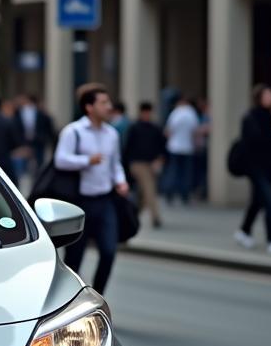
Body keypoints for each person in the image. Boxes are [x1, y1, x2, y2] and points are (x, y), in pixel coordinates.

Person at [54, 83, 129, 295]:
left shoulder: (111, 134)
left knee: (108, 252)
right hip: (79, 202)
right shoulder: (73, 132)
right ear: (89, 107)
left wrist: (120, 181)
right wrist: (87, 160)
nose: (109, 106)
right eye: (103, 102)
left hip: (105, 200)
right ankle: (68, 299)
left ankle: (98, 297)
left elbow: (116, 164)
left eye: (109, 102)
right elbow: (60, 160)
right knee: (75, 257)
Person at [234, 83, 271, 256]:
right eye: (266, 95)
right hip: (255, 167)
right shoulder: (250, 117)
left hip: (270, 166)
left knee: (258, 201)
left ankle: (243, 231)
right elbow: (253, 142)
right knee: (270, 202)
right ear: (259, 98)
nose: (270, 98)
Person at [124, 102, 166, 228]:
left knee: (144, 194)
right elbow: (127, 148)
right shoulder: (134, 128)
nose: (147, 115)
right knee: (150, 188)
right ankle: (156, 218)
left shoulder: (155, 128)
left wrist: (160, 160)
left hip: (151, 164)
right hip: (137, 164)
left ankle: (134, 215)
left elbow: (163, 146)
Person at [161, 92, 199, 204]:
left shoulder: (175, 113)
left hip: (174, 147)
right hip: (187, 147)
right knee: (186, 173)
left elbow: (168, 130)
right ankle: (184, 195)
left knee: (173, 171)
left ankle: (169, 193)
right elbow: (195, 131)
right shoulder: (191, 113)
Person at [15, 92, 55, 175]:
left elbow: (48, 128)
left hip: (38, 142)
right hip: (24, 142)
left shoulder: (42, 114)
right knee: (23, 165)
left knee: (39, 163)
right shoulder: (18, 113)